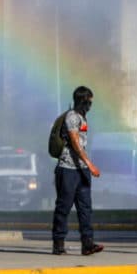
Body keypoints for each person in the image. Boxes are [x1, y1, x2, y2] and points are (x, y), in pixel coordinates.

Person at [51, 86, 103, 255]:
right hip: (68, 170)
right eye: (89, 101)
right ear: (82, 100)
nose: (90, 105)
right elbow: (75, 143)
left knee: (85, 208)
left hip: (81, 171)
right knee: (64, 207)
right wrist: (90, 164)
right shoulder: (72, 117)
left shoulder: (83, 118)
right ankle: (58, 243)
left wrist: (86, 167)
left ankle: (87, 244)